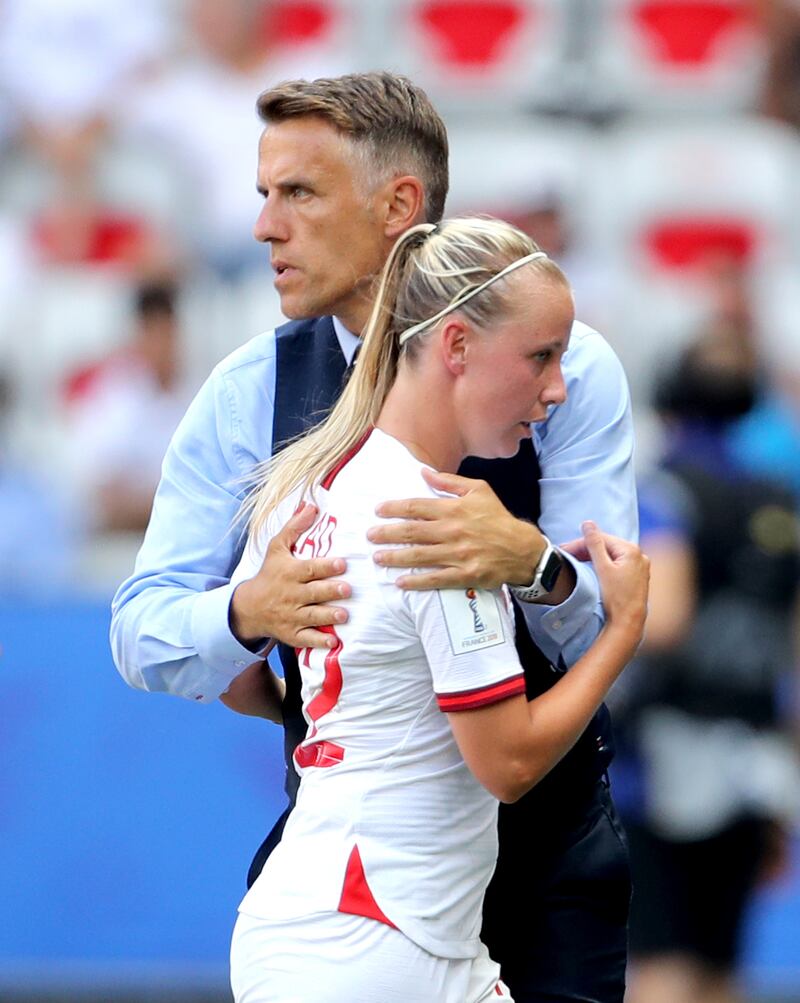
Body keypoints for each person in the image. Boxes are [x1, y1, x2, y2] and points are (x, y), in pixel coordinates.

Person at [111, 72, 638, 1001]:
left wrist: (536, 566)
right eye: (264, 195)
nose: (265, 226)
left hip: (538, 855)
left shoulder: (570, 362)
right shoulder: (249, 390)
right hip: (370, 876)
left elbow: (585, 608)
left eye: (298, 193)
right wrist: (246, 611)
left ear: (398, 204)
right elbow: (142, 632)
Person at [226, 216, 649, 1003]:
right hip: (374, 936)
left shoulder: (313, 480)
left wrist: (360, 713)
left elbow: (234, 677)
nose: (558, 387)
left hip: (347, 925)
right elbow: (510, 762)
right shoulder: (439, 526)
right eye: (541, 356)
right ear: (455, 347)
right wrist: (620, 631)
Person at [611, 337, 800, 1003]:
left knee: (662, 962)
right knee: (722, 967)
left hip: (661, 765)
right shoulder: (778, 499)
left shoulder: (663, 491)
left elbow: (663, 621)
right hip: (751, 759)